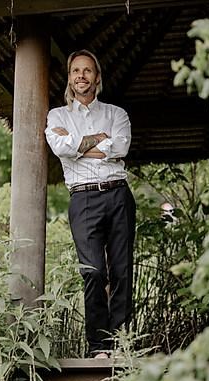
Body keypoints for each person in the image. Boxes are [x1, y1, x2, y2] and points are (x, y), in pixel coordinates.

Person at [45, 49, 136, 358]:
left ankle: (120, 344)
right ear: (70, 78)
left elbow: (120, 147)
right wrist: (100, 139)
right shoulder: (58, 116)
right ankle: (99, 346)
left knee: (122, 271)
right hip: (82, 198)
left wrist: (79, 144)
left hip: (118, 193)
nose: (81, 76)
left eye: (87, 71)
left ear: (97, 77)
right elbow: (60, 147)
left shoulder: (116, 113)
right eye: (75, 71)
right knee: (93, 271)